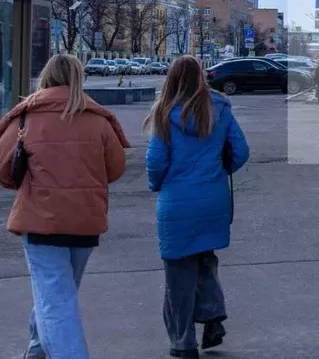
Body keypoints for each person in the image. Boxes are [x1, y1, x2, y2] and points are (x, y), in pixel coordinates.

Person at [0, 53, 130, 359]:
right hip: (85, 222)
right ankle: (36, 349)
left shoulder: (27, 117)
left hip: (40, 222)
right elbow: (115, 168)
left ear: (46, 77)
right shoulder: (97, 118)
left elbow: (3, 167)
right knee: (59, 294)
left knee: (55, 297)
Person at [145, 56, 250, 359]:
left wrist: (159, 185)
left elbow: (155, 162)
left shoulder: (165, 113)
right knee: (205, 259)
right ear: (202, 76)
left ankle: (183, 342)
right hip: (213, 198)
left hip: (177, 203)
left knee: (178, 273)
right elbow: (241, 151)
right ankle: (213, 315)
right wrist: (218, 171)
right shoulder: (220, 108)